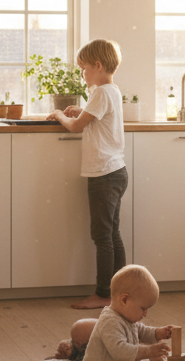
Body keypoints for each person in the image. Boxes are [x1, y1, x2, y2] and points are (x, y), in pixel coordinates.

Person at [49, 39, 127, 310]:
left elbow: (74, 127)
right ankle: (121, 292)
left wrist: (60, 114)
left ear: (97, 65)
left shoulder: (100, 92)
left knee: (102, 236)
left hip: (103, 175)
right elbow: (96, 118)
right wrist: (82, 110)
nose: (82, 74)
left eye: (83, 68)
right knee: (112, 234)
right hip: (116, 171)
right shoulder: (111, 91)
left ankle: (103, 293)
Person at [65, 265, 173, 361]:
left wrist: (159, 333)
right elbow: (120, 351)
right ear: (124, 300)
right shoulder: (110, 321)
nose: (146, 314)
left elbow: (142, 331)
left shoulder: (128, 317)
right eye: (143, 308)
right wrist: (148, 351)